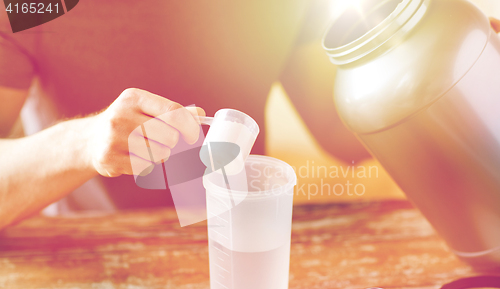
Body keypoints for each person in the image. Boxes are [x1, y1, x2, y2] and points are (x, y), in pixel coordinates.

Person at [0, 1, 499, 228]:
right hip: (92, 254)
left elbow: (341, 131)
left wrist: (454, 63)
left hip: (246, 235)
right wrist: (83, 144)